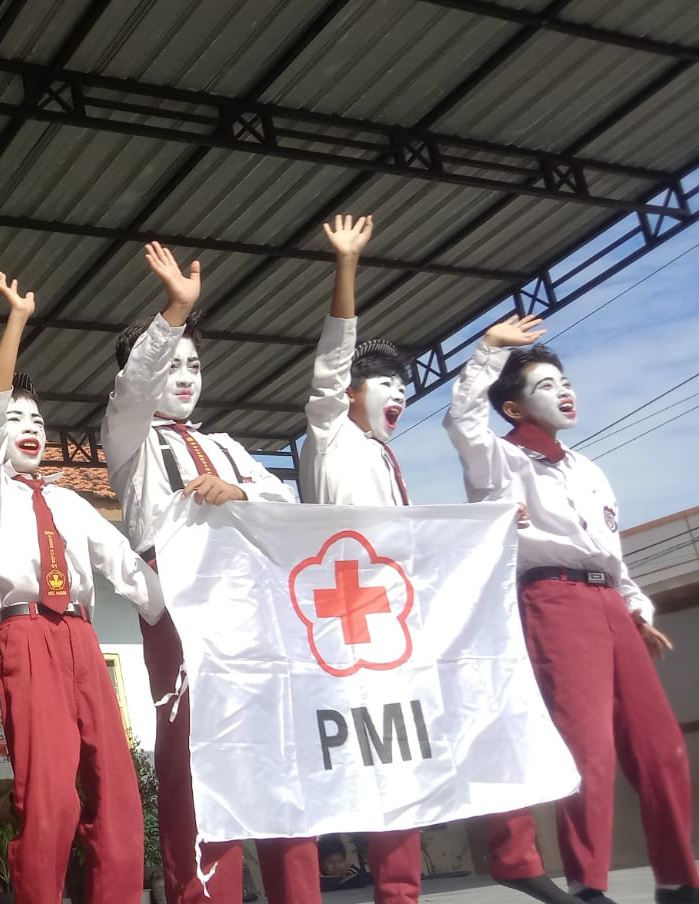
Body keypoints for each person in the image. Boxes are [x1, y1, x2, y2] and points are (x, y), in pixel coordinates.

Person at [443, 316, 699, 904]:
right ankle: (589, 884)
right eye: (546, 385)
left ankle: (677, 879)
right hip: (552, 598)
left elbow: (613, 555)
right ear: (513, 408)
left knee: (661, 747)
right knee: (588, 749)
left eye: (566, 382)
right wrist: (488, 350)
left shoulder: (588, 470)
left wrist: (636, 611)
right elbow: (461, 419)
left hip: (612, 607)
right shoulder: (498, 459)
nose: (565, 392)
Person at [103, 242, 317, 904]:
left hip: (249, 603)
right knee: (195, 753)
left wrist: (241, 492)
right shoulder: (130, 441)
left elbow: (286, 503)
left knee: (277, 747)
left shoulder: (226, 447)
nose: (186, 377)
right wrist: (173, 312)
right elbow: (133, 388)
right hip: (180, 601)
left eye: (194, 364)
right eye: (172, 364)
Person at [0, 272, 165, 904]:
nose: (29, 427)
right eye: (16, 419)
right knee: (50, 795)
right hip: (25, 634)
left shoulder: (70, 500)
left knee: (117, 790)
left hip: (83, 637)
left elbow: (124, 563)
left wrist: (174, 612)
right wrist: (17, 322)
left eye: (37, 419)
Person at [295, 214, 425, 904]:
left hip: (392, 618)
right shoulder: (330, 433)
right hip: (345, 619)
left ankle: (399, 889)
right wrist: (346, 264)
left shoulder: (385, 460)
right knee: (358, 755)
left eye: (404, 386)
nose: (398, 394)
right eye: (383, 383)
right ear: (349, 393)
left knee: (399, 755)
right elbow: (332, 357)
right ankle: (331, 859)